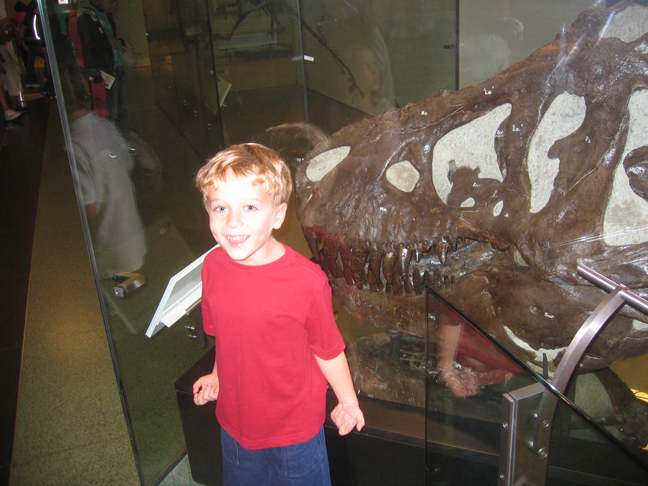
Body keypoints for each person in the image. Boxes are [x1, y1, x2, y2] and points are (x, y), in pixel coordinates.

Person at [193, 143, 365, 485]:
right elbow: (228, 340)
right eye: (221, 207)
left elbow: (328, 351)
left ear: (278, 215)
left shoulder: (307, 282)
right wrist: (217, 376)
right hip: (235, 425)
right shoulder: (212, 266)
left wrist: (347, 400)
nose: (233, 222)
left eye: (250, 207)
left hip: (295, 434)